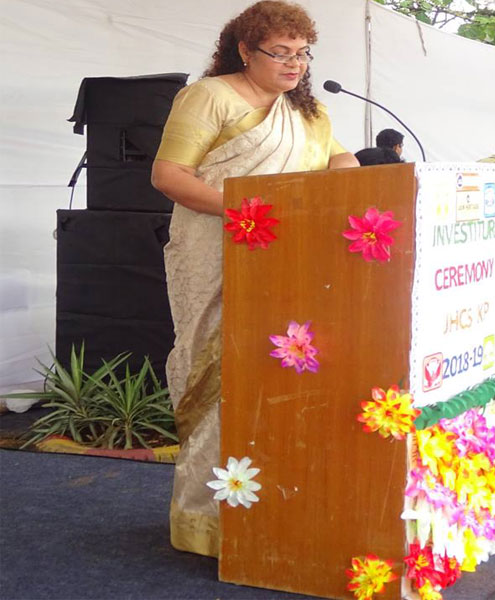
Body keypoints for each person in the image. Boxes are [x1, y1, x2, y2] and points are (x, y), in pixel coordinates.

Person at [150, 0, 357, 558]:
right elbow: (168, 175)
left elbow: (340, 161)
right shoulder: (210, 96)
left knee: (282, 373)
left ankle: (276, 512)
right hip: (217, 252)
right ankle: (208, 523)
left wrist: (342, 183)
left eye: (303, 54)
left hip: (291, 259)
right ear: (245, 50)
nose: (295, 64)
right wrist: (245, 213)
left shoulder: (307, 109)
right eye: (281, 53)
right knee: (219, 376)